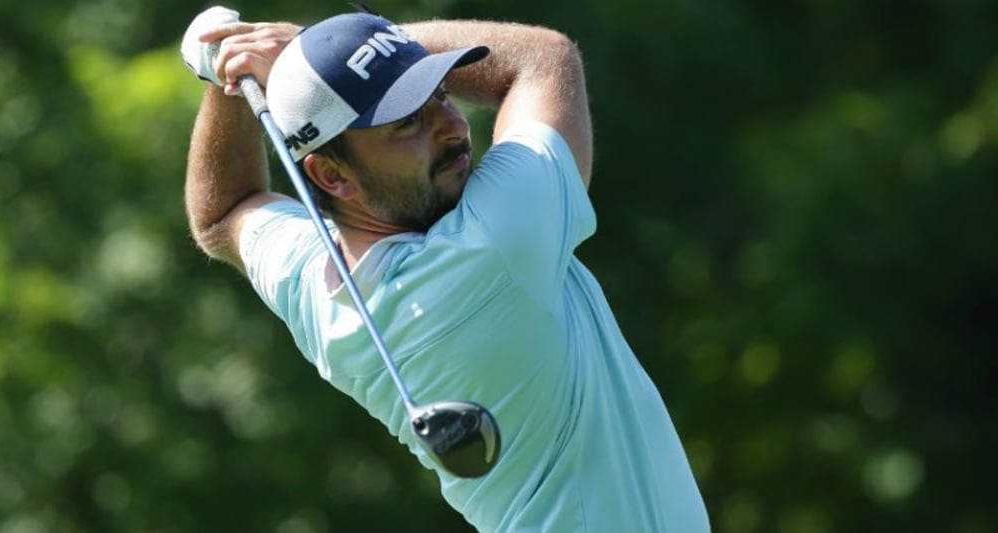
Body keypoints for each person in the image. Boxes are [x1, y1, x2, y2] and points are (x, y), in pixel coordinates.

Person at [183, 6, 710, 532]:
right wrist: (311, 51)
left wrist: (230, 75)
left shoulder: (312, 281)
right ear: (330, 174)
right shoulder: (495, 244)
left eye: (440, 94)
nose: (453, 125)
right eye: (408, 121)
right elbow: (544, 59)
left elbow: (225, 209)